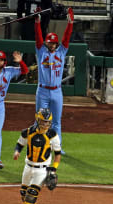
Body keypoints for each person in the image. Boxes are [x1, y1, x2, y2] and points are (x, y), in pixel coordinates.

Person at [13, 108, 61, 204]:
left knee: (31, 195)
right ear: (37, 119)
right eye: (43, 122)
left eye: (47, 122)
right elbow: (20, 144)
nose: (45, 124)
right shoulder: (27, 132)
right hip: (28, 167)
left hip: (42, 169)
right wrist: (17, 151)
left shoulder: (52, 135)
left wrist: (54, 169)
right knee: (24, 194)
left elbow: (58, 154)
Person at [35, 7, 73, 155]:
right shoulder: (41, 51)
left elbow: (66, 38)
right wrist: (37, 22)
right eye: (49, 43)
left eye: (53, 43)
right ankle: (38, 144)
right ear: (46, 43)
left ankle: (57, 147)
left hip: (57, 91)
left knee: (56, 121)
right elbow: (38, 37)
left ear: (56, 44)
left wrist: (70, 23)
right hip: (43, 90)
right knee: (40, 119)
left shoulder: (62, 52)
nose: (51, 45)